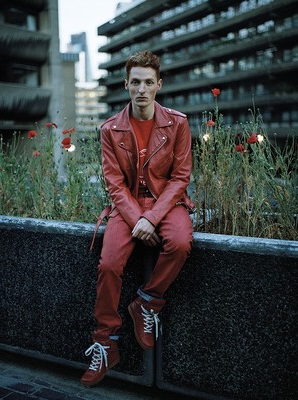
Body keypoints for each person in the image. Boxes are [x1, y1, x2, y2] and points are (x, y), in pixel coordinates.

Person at [81, 50, 193, 387]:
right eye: (135, 82)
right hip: (126, 204)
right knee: (109, 264)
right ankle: (105, 341)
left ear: (158, 85)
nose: (141, 89)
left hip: (167, 201)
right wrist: (135, 218)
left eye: (148, 82)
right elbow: (114, 183)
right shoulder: (110, 129)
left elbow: (180, 177)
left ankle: (147, 301)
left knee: (180, 242)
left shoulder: (178, 123)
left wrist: (152, 217)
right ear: (126, 85)